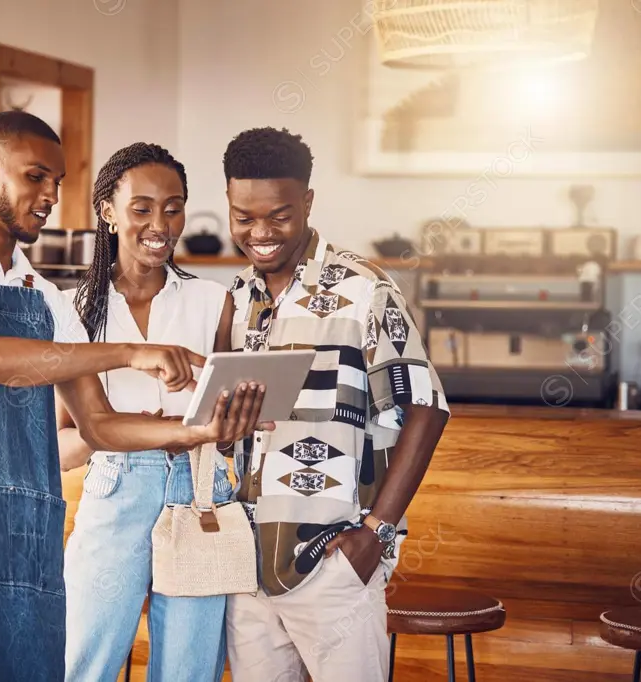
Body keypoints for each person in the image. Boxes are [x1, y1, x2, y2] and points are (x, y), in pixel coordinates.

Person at [0, 111, 266, 682]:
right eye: (36, 177)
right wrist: (131, 353)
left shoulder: (49, 300)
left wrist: (199, 432)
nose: (49, 197)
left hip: (29, 526)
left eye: (57, 183)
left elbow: (100, 427)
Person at [217, 127, 450, 682]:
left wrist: (377, 533)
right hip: (247, 564)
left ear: (308, 202)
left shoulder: (365, 290)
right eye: (243, 217)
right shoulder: (236, 297)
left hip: (331, 558)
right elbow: (230, 434)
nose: (260, 233)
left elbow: (427, 406)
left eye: (278, 215)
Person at [58, 142, 256, 682]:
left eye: (173, 207)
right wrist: (146, 432)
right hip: (116, 491)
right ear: (107, 211)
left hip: (200, 491)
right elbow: (58, 448)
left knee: (188, 670)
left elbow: (233, 429)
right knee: (84, 662)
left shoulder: (215, 302)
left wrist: (234, 422)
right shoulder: (71, 313)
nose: (161, 223)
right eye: (141, 207)